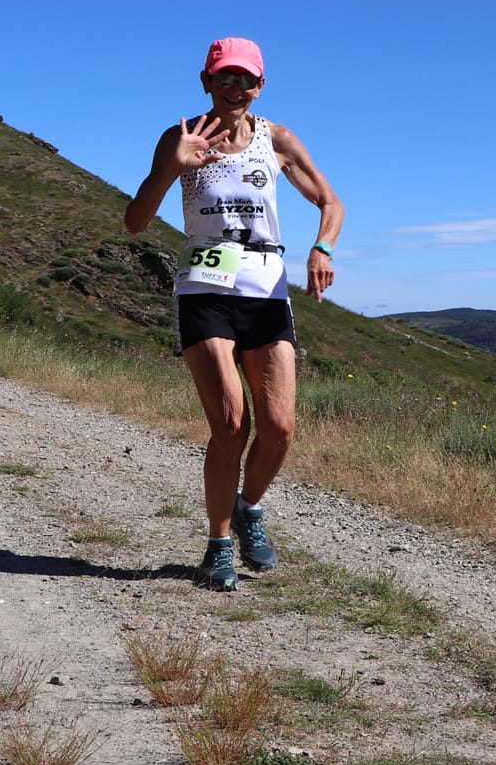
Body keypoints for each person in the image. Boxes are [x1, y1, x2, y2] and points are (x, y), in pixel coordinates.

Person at [124, 37, 344, 590]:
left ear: (261, 85)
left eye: (246, 79)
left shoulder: (277, 139)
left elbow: (331, 202)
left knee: (279, 429)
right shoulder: (182, 137)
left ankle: (249, 508)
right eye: (225, 78)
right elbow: (135, 221)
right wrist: (171, 168)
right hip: (205, 289)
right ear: (206, 81)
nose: (236, 89)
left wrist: (324, 247)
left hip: (267, 289)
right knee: (230, 424)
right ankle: (219, 546)